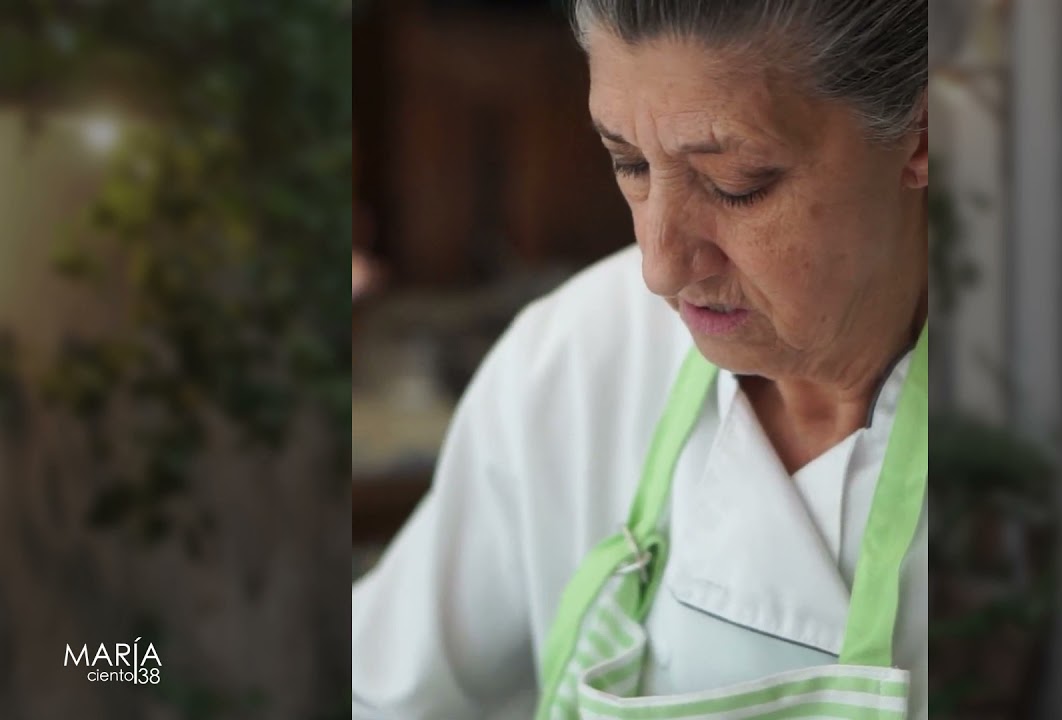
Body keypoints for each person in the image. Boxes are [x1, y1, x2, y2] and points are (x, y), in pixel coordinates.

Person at [352, 0, 928, 717]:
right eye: (629, 163)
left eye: (737, 184)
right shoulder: (579, 357)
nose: (660, 268)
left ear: (919, 134)